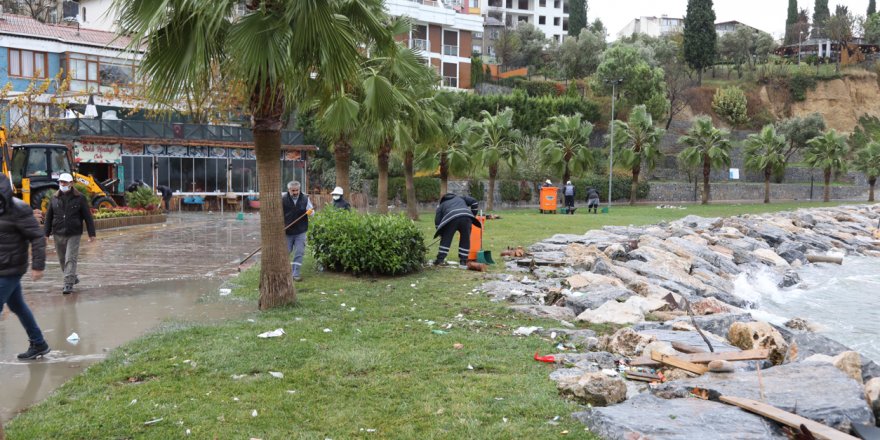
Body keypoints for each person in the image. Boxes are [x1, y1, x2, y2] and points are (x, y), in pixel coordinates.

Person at [0, 173, 50, 360]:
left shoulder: (18, 208)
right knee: (18, 306)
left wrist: (38, 265)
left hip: (11, 267)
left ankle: (38, 343)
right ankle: (39, 343)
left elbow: (37, 236)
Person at [45, 173, 96, 294]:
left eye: (65, 182)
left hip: (74, 233)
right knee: (62, 259)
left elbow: (87, 217)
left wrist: (91, 234)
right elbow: (48, 217)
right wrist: (45, 234)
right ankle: (73, 277)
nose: (62, 184)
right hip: (58, 233)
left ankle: (68, 284)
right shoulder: (54, 198)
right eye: (61, 182)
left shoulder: (80, 198)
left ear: (71, 183)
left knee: (70, 258)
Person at [433, 192, 480, 267]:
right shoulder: (460, 198)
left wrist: (441, 233)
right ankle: (463, 261)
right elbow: (474, 202)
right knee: (465, 239)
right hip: (467, 217)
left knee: (446, 239)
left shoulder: (441, 205)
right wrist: (472, 215)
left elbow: (437, 220)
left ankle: (440, 260)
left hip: (451, 218)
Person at [282, 181, 313, 282]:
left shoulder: (305, 199)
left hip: (300, 231)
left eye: (297, 190)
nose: (295, 192)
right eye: (293, 190)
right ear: (288, 190)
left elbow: (312, 212)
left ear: (299, 189)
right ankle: (285, 272)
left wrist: (310, 212)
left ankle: (296, 274)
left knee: (299, 252)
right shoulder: (283, 199)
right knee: (286, 252)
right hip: (287, 231)